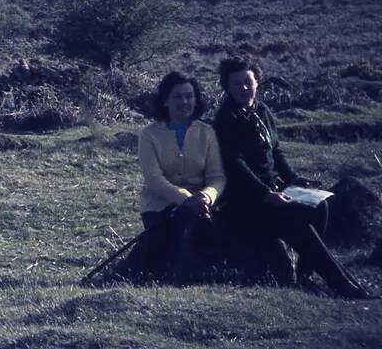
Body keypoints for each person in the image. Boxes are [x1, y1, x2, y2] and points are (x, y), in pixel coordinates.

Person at [213, 56, 373, 299]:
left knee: (320, 207)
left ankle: (305, 273)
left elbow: (275, 152)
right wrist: (265, 194)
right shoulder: (226, 119)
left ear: (257, 81)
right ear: (227, 87)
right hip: (246, 198)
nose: (244, 88)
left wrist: (294, 179)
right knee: (297, 223)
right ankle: (342, 285)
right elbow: (235, 165)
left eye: (249, 81)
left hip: (273, 189)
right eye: (237, 84)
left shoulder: (262, 111)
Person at [132, 71, 226, 284]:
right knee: (177, 227)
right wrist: (185, 199)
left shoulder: (207, 132)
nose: (185, 102)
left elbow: (217, 176)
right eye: (178, 96)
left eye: (189, 96)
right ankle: (176, 276)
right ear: (165, 100)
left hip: (202, 205)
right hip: (159, 206)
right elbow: (154, 178)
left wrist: (206, 196)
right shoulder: (149, 134)